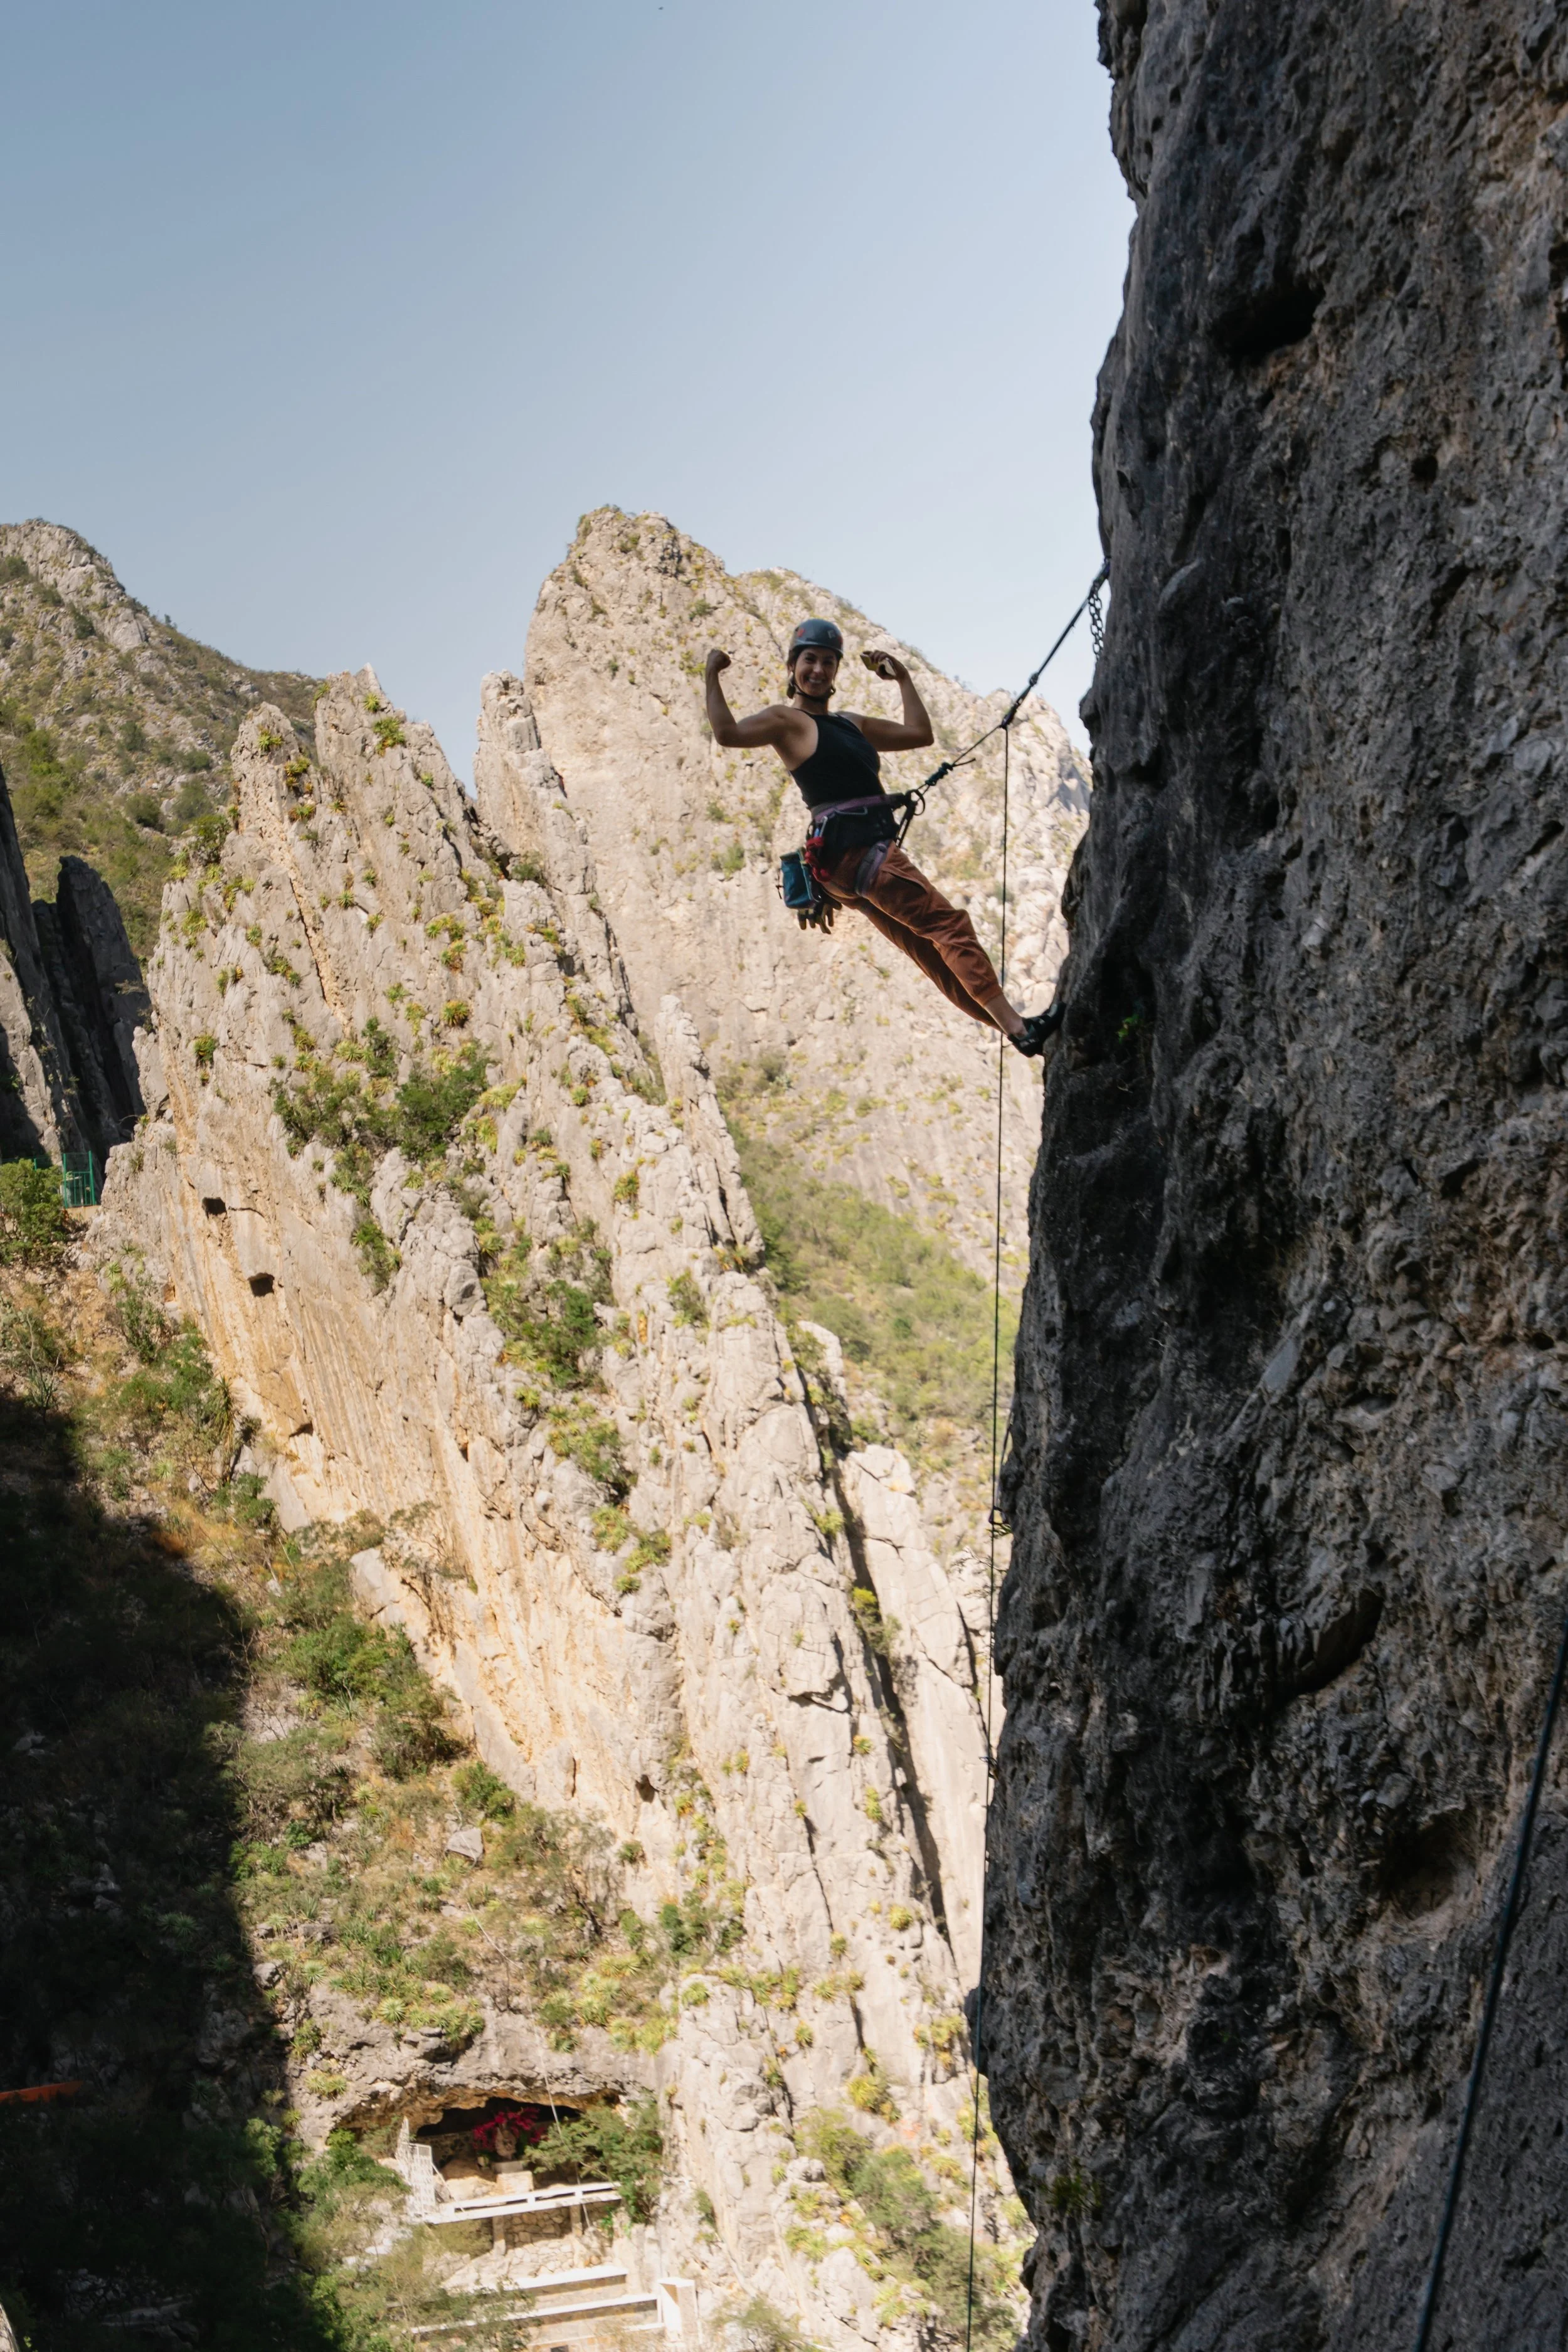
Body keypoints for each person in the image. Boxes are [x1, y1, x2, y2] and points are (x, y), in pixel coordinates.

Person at [705, 618, 1061, 1054]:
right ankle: (1022, 1030)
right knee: (950, 928)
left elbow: (919, 735)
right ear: (792, 667)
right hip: (864, 856)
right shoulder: (787, 721)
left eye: (828, 662)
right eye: (809, 660)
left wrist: (904, 679)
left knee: (932, 952)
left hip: (848, 863)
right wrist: (712, 674)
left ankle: (1015, 1031)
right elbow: (728, 734)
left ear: (837, 671)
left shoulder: (850, 724)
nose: (818, 670)